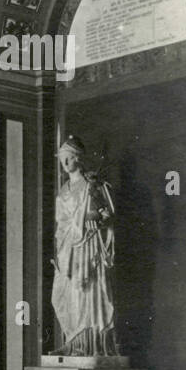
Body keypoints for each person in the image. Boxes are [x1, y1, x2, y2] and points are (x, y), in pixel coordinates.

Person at [50, 134, 117, 356]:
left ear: (78, 158)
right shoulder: (63, 191)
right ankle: (73, 342)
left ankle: (90, 346)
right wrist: (60, 251)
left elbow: (108, 214)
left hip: (89, 246)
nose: (65, 163)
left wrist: (95, 216)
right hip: (69, 249)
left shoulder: (93, 185)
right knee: (63, 295)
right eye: (62, 159)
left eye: (68, 158)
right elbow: (61, 224)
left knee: (86, 294)